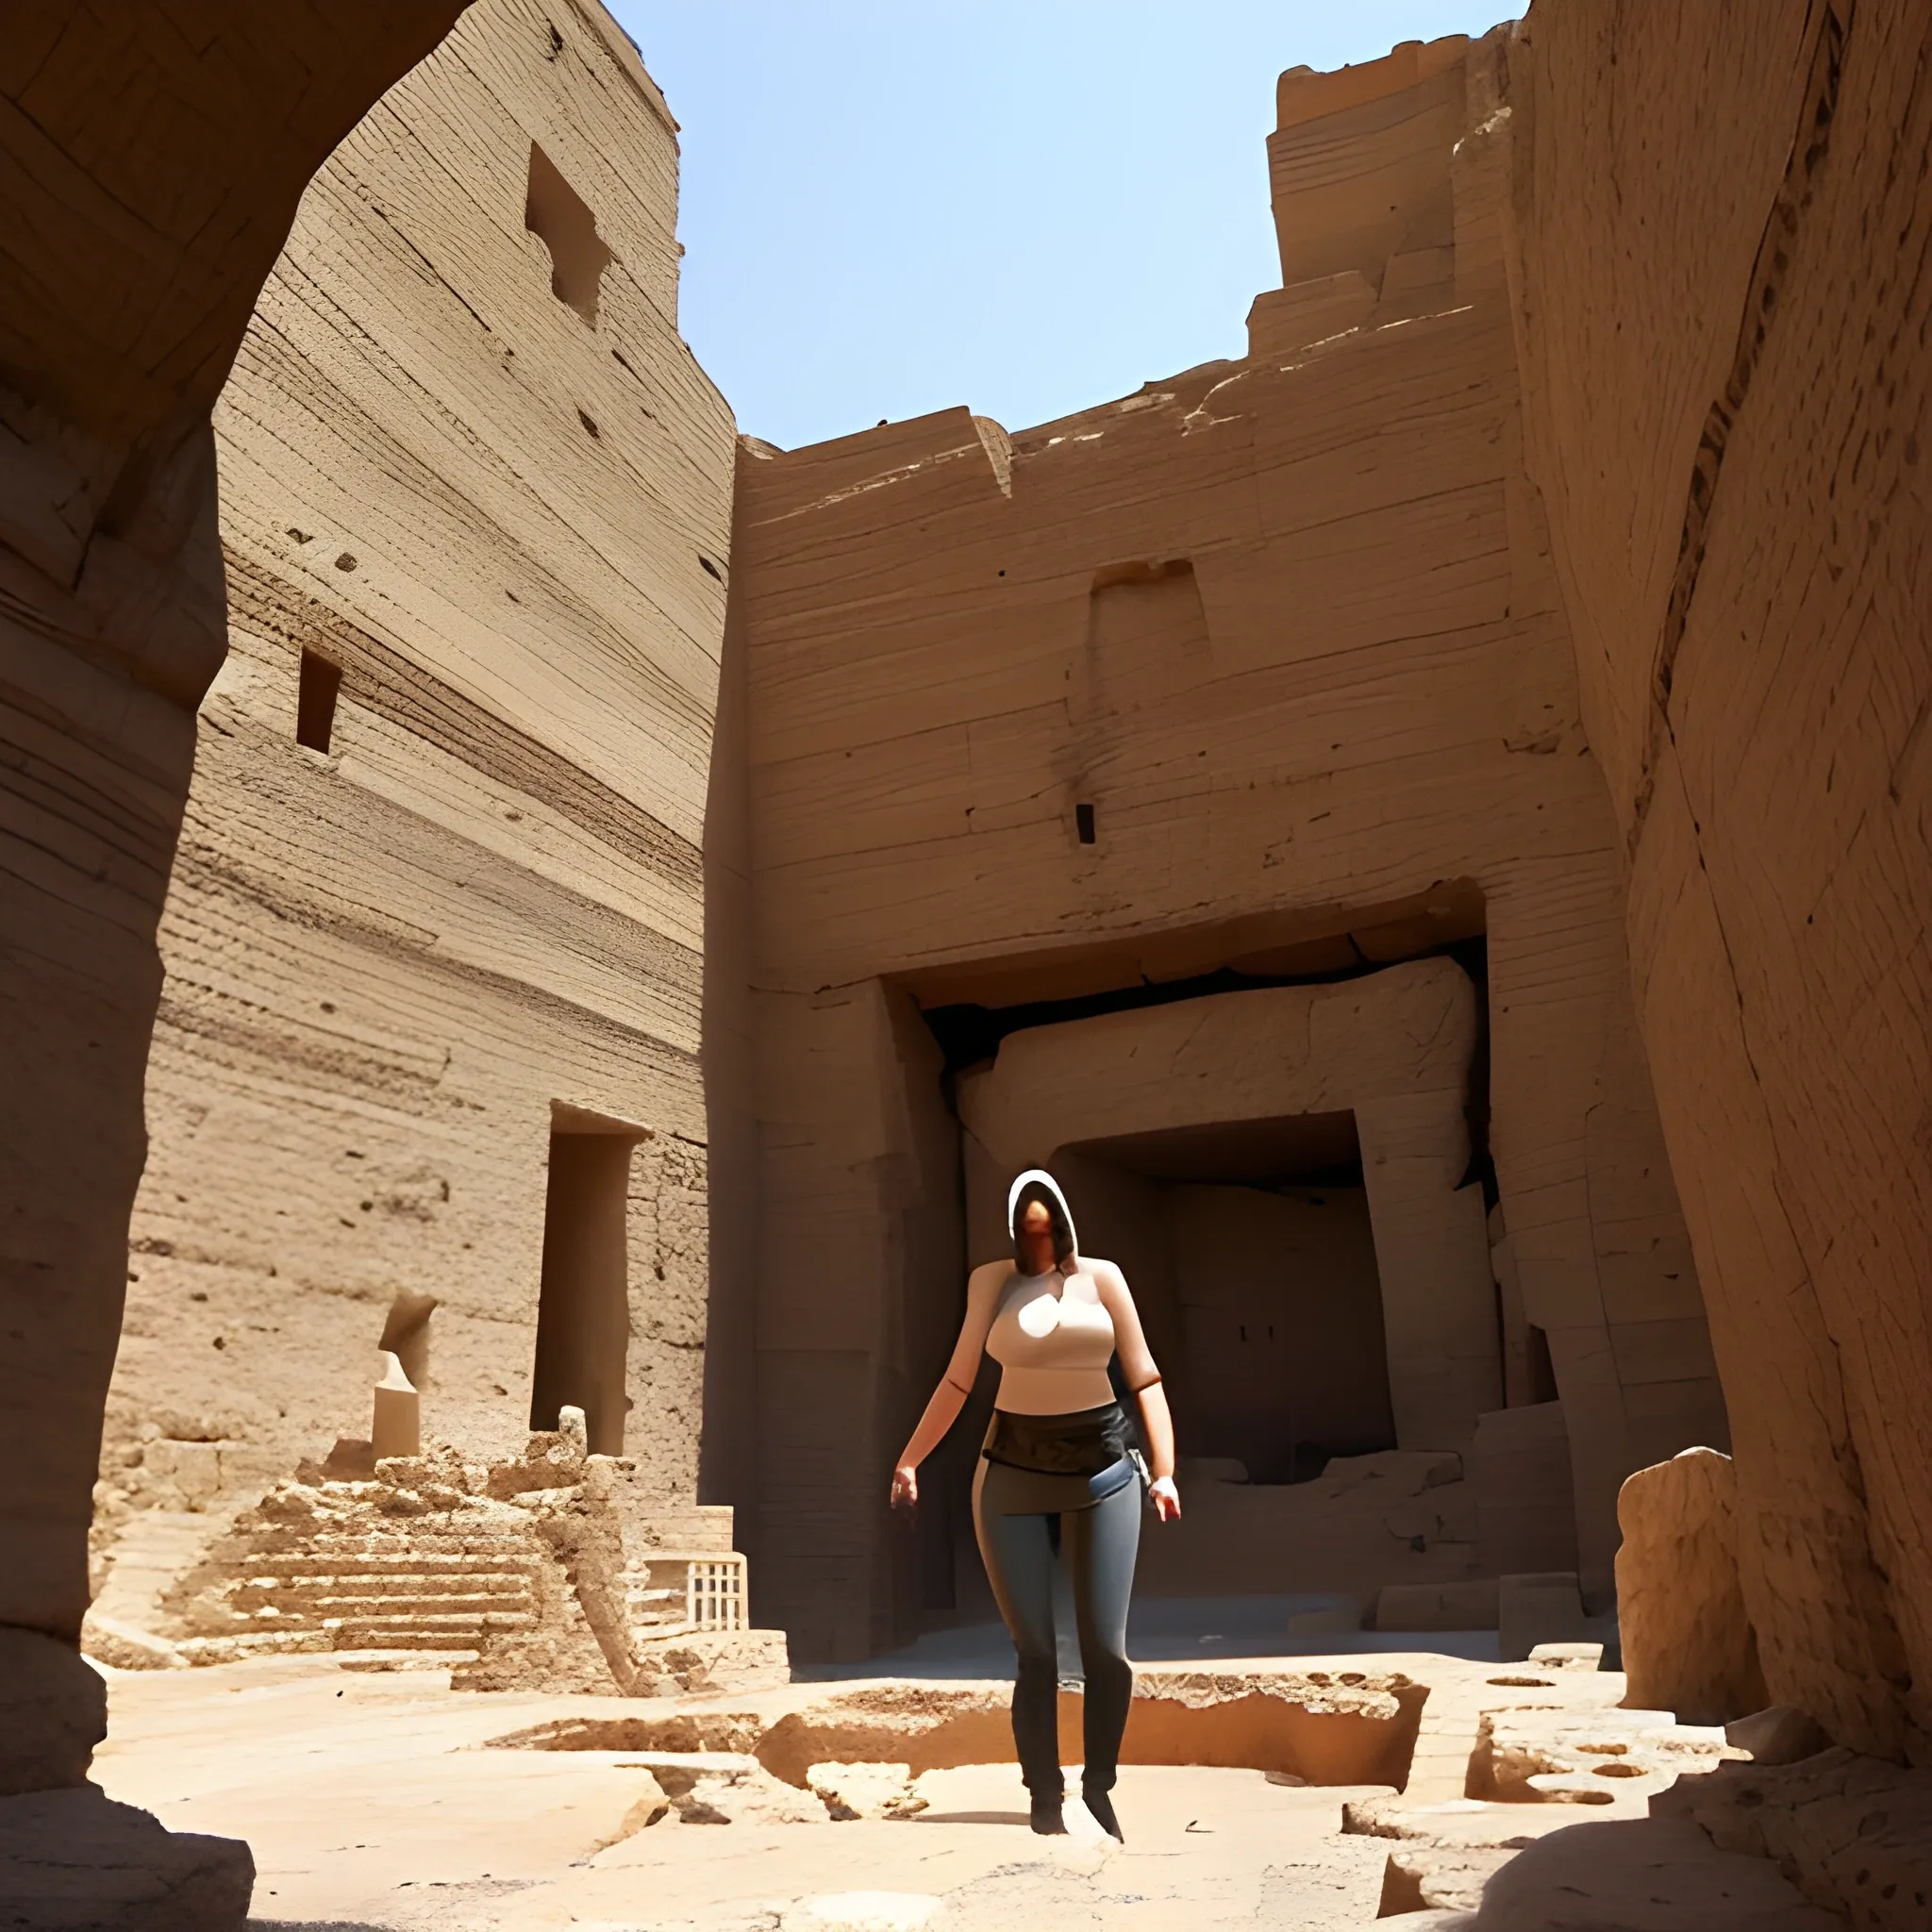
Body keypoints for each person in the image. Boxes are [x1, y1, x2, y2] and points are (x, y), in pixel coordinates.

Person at [890, 1168, 1180, 1841]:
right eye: (1028, 1229)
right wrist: (911, 1457)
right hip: (1010, 1469)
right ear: (1015, 1229)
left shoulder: (1102, 1278)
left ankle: (1099, 1786)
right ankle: (1044, 1795)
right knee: (1037, 1653)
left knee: (1106, 1649)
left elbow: (1145, 1375)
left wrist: (1163, 1472)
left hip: (1104, 1466)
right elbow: (961, 1377)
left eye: (1050, 1229)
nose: (1040, 1240)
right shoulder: (992, 1283)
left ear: (1067, 1227)